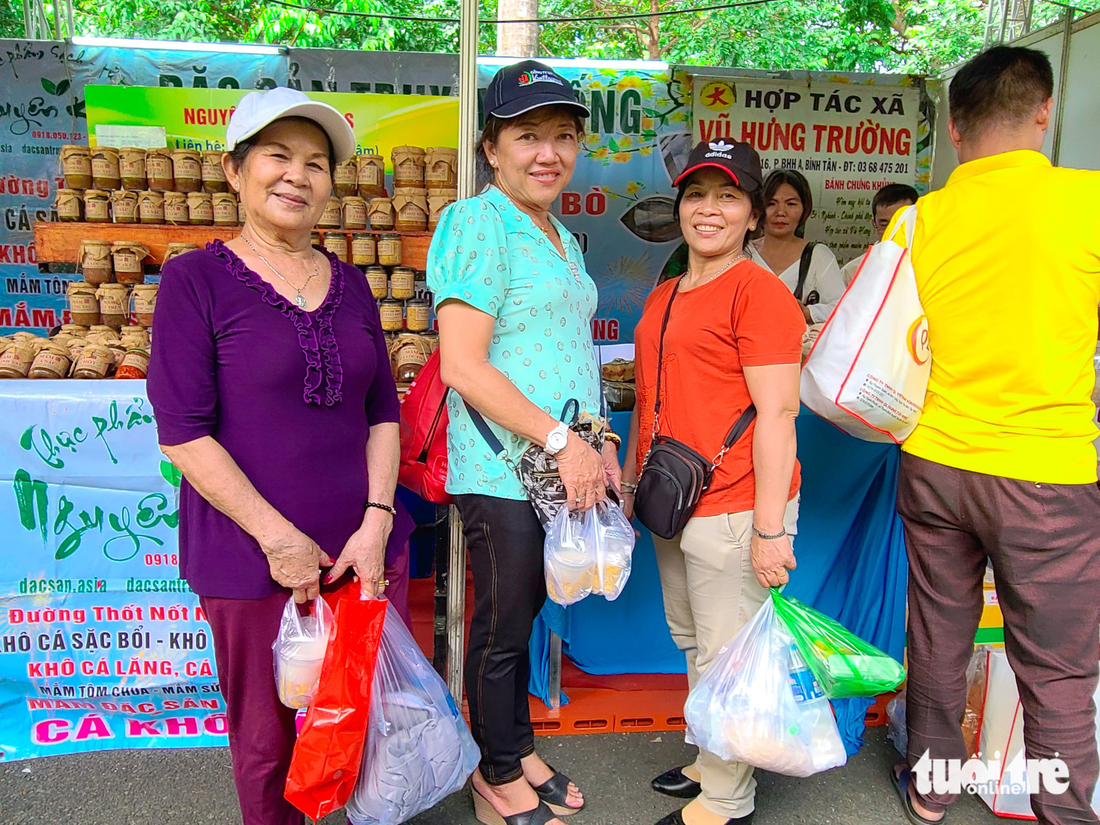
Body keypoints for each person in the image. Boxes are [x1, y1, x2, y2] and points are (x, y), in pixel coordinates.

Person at [146, 87, 414, 825]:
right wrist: (277, 537)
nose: (298, 175)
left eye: (316, 163)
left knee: (354, 724)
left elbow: (381, 413)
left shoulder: (354, 284)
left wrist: (377, 519)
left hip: (356, 549)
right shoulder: (192, 282)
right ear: (235, 171)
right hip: (248, 555)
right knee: (266, 741)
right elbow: (183, 430)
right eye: (277, 156)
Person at [889, 46, 1100, 825]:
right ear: (1044, 111)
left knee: (939, 640)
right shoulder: (1089, 202)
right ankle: (1065, 814)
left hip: (936, 462)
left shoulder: (920, 218)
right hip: (1048, 472)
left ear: (955, 125)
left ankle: (932, 788)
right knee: (1056, 668)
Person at [427, 60, 621, 825]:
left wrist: (596, 440)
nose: (549, 152)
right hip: (505, 465)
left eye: (564, 136)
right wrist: (555, 438)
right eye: (528, 136)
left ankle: (518, 744)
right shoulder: (479, 223)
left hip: (562, 463)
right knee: (504, 623)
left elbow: (572, 348)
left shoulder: (560, 233)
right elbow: (462, 365)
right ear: (491, 147)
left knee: (532, 611)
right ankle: (493, 771)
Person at [622, 139, 806, 825]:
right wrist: (629, 470)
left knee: (731, 654)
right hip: (673, 497)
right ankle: (709, 757)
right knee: (696, 639)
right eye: (697, 194)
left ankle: (728, 798)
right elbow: (654, 389)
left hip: (734, 503)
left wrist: (768, 529)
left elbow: (779, 414)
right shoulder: (668, 290)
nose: (709, 209)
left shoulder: (760, 294)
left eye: (727, 196)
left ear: (753, 216)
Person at [750, 168, 844, 324]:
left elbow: (842, 309)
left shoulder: (818, 256)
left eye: (791, 204)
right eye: (771, 203)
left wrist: (808, 312)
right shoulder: (742, 252)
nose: (781, 212)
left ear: (804, 209)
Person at [840, 183, 918, 285]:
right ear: (874, 224)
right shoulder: (852, 273)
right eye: (885, 225)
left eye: (902, 224)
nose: (893, 232)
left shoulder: (933, 269)